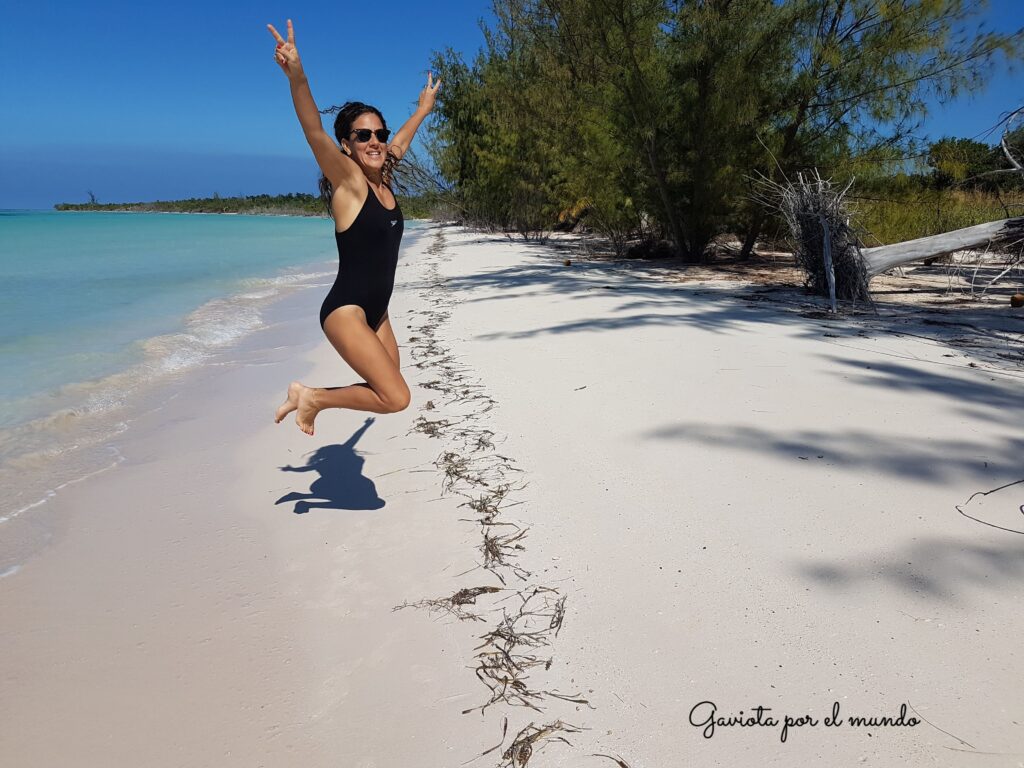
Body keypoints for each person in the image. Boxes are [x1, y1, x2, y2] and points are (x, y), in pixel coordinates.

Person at [267, 19, 440, 436]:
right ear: (347, 144)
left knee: (384, 387)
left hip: (378, 312)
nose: (376, 141)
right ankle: (311, 398)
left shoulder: (383, 176)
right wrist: (298, 77)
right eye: (364, 135)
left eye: (379, 133)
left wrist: (421, 110)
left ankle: (310, 398)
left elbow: (398, 144)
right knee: (395, 397)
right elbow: (313, 131)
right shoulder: (349, 183)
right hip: (346, 312)